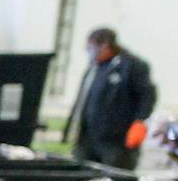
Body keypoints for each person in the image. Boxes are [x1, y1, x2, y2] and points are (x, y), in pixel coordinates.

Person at [66, 27, 158, 170]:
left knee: (114, 177)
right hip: (88, 137)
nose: (89, 52)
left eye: (92, 48)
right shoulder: (95, 67)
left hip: (116, 141)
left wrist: (140, 121)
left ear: (105, 46)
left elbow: (147, 95)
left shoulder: (132, 66)